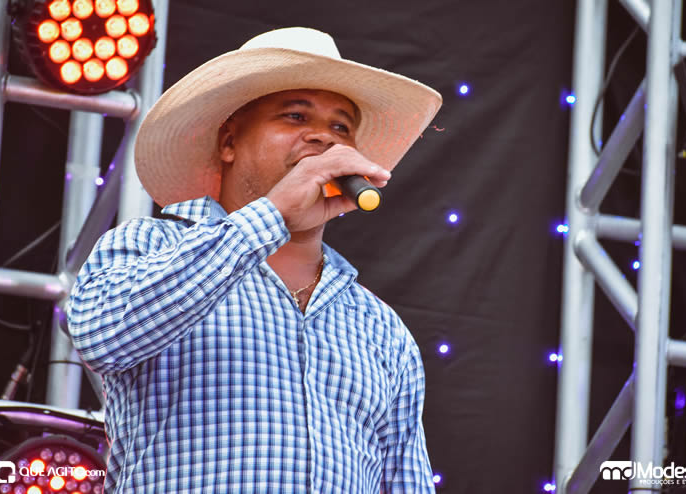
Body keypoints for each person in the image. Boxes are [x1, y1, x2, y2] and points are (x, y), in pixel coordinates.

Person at [67, 27, 442, 493]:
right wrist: (273, 215)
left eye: (341, 128)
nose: (323, 138)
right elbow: (101, 337)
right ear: (229, 141)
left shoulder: (379, 327)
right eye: (295, 115)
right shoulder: (150, 243)